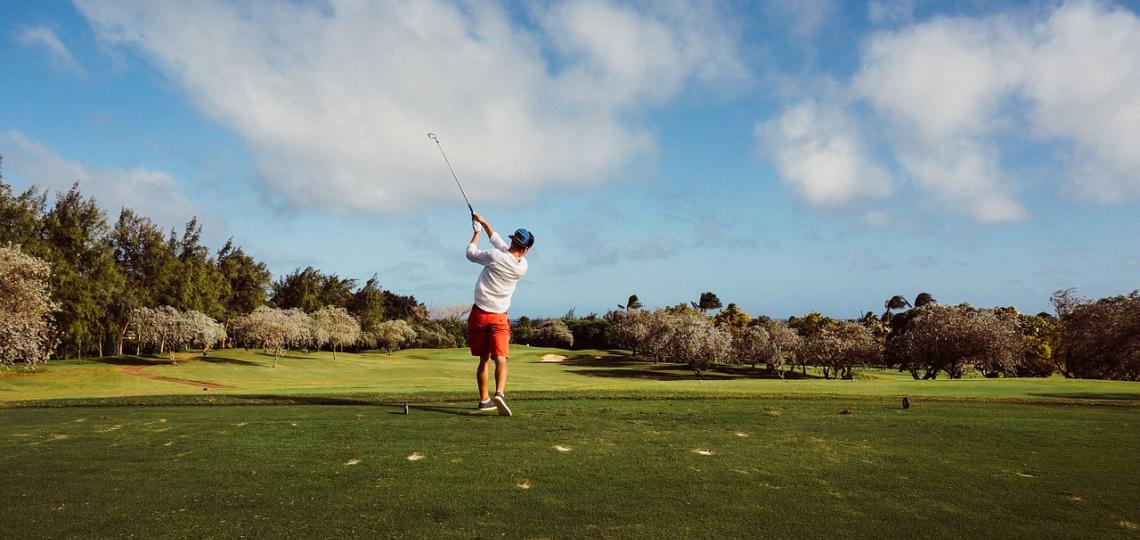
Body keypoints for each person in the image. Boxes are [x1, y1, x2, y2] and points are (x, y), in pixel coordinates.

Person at [466, 212, 533, 416]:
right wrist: (484, 222)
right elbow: (500, 244)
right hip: (499, 317)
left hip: (479, 315)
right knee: (501, 358)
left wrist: (477, 232)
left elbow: (471, 253)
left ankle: (484, 400)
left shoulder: (495, 257)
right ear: (526, 249)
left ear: (514, 241)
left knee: (484, 360)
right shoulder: (522, 267)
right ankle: (500, 394)